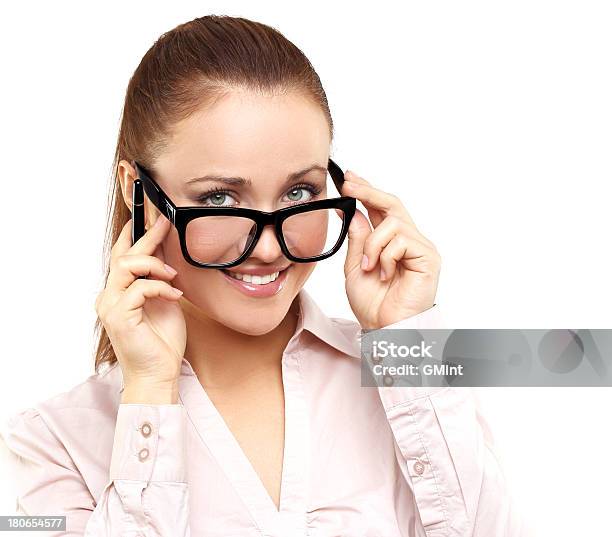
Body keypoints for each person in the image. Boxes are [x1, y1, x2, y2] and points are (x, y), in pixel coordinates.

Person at [0, 14, 528, 537]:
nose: (271, 245)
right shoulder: (53, 441)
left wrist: (405, 341)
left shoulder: (408, 371)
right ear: (136, 189)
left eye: (299, 192)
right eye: (219, 198)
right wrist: (150, 392)